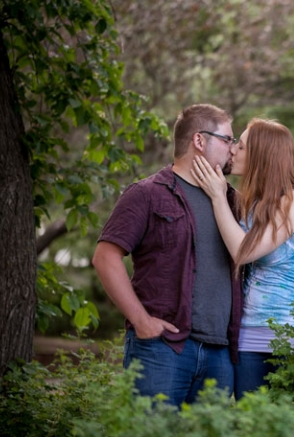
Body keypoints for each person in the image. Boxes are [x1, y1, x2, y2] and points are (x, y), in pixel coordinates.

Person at [92, 103, 242, 407]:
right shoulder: (147, 193)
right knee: (151, 436)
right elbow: (105, 257)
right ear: (199, 140)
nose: (233, 148)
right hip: (163, 349)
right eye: (227, 139)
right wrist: (141, 320)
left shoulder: (232, 201)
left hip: (220, 354)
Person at [190, 118, 294, 397]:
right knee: (251, 419)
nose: (232, 150)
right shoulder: (252, 205)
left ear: (262, 156)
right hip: (250, 333)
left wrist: (218, 197)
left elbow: (244, 251)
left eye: (240, 146)